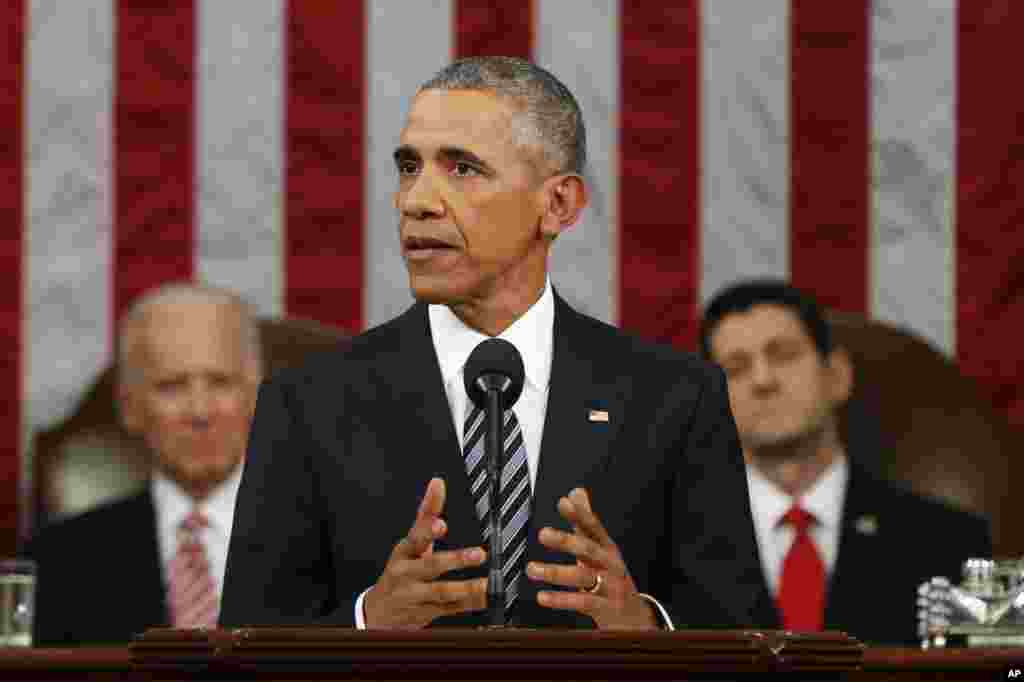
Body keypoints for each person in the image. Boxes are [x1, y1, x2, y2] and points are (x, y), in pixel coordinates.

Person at [220, 57, 770, 631]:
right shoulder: (306, 404)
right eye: (409, 168)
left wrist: (647, 629)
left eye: (462, 169)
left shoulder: (676, 399)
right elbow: (246, 647)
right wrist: (367, 621)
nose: (416, 202)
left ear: (558, 205)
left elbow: (747, 637)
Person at [699, 278, 992, 645]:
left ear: (837, 375)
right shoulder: (676, 549)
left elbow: (1010, 673)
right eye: (736, 367)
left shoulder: (961, 541)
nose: (762, 380)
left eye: (783, 355)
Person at [26, 283, 262, 645]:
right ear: (129, 407)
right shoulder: (58, 562)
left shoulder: (326, 547)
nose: (200, 411)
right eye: (172, 386)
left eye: (220, 382)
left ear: (255, 397)